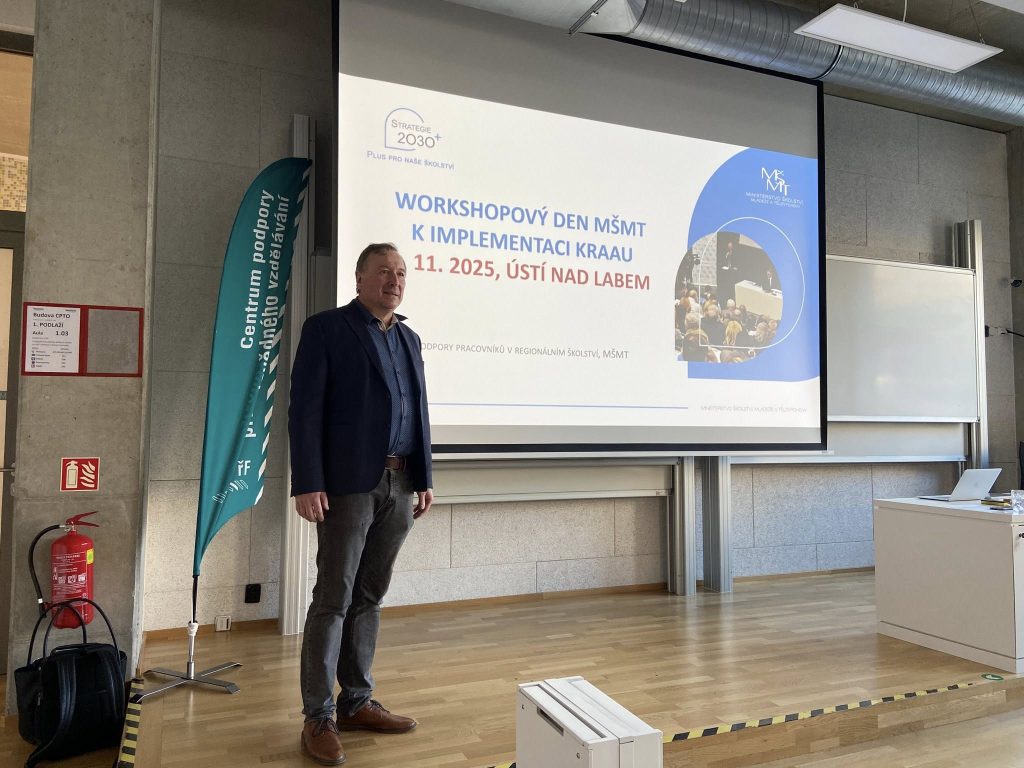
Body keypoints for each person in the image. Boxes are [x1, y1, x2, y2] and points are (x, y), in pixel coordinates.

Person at [289, 242, 434, 766]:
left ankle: (356, 701)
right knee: (334, 597)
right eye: (383, 272)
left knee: (370, 596)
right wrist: (308, 481)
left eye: (401, 273)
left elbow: (418, 410)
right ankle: (318, 715)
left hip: (400, 482)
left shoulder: (410, 338)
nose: (394, 281)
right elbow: (304, 410)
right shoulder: (327, 329)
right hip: (348, 485)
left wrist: (424, 476)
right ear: (359, 278)